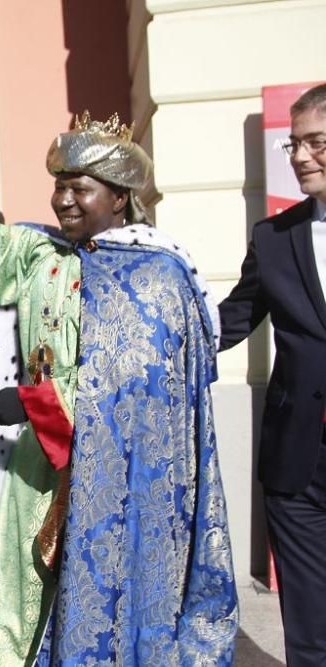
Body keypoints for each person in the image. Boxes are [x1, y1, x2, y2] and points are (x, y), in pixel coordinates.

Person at [0, 102, 238, 664]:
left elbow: (133, 389)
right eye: (59, 185)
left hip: (118, 473)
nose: (63, 198)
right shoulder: (40, 252)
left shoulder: (158, 276)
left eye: (80, 187)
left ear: (118, 197)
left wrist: (29, 402)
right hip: (41, 464)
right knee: (28, 605)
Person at [218, 81, 326, 666]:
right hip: (300, 458)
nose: (302, 157)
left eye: (317, 143)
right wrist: (146, 338)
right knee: (309, 620)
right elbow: (230, 321)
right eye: (294, 145)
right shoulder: (274, 238)